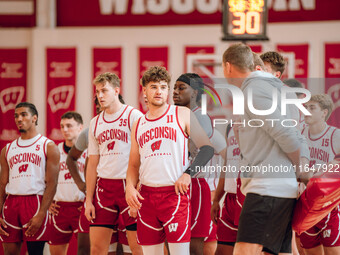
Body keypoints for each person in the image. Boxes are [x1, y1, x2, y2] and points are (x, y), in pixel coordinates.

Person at [125, 66, 214, 255]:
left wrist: (188, 174)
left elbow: (207, 149)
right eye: (154, 87)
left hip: (174, 193)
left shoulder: (181, 114)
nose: (159, 91)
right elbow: (133, 164)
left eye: (164, 87)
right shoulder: (138, 124)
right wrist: (129, 187)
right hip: (146, 197)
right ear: (145, 91)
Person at [223, 43, 302, 255]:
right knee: (278, 252)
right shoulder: (278, 89)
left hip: (267, 187)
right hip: (280, 187)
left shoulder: (254, 89)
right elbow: (295, 132)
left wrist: (303, 170)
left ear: (228, 67)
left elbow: (286, 134)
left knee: (243, 250)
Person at [85, 72, 143, 255]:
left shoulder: (134, 116)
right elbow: (92, 163)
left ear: (116, 90)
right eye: (97, 92)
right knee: (97, 248)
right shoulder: (95, 123)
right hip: (104, 188)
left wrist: (139, 186)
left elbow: (145, 156)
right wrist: (88, 199)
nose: (100, 96)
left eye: (104, 91)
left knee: (137, 247)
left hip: (129, 185)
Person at [173, 73, 226, 255]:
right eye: (174, 88)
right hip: (175, 183)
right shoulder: (175, 116)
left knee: (194, 245)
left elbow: (214, 152)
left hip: (195, 185)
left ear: (195, 93)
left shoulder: (200, 117)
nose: (175, 92)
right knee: (173, 240)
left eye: (181, 88)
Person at [0, 102, 60, 255]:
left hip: (35, 202)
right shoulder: (7, 149)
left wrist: (41, 213)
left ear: (34, 118)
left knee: (35, 253)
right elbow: (2, 183)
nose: (19, 119)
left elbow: (52, 184)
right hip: (11, 203)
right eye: (16, 116)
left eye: (23, 115)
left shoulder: (48, 146)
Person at [299, 94, 340, 255]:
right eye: (306, 107)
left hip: (327, 205)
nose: (307, 111)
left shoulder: (335, 135)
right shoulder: (299, 132)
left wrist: (330, 169)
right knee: (309, 252)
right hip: (305, 202)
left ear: (324, 112)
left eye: (312, 108)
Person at [48, 111, 86, 255]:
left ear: (80, 127)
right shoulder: (54, 151)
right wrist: (48, 201)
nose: (64, 130)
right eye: (62, 126)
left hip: (80, 207)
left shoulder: (89, 150)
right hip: (59, 208)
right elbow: (45, 179)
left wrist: (89, 201)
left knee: (85, 251)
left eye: (69, 126)